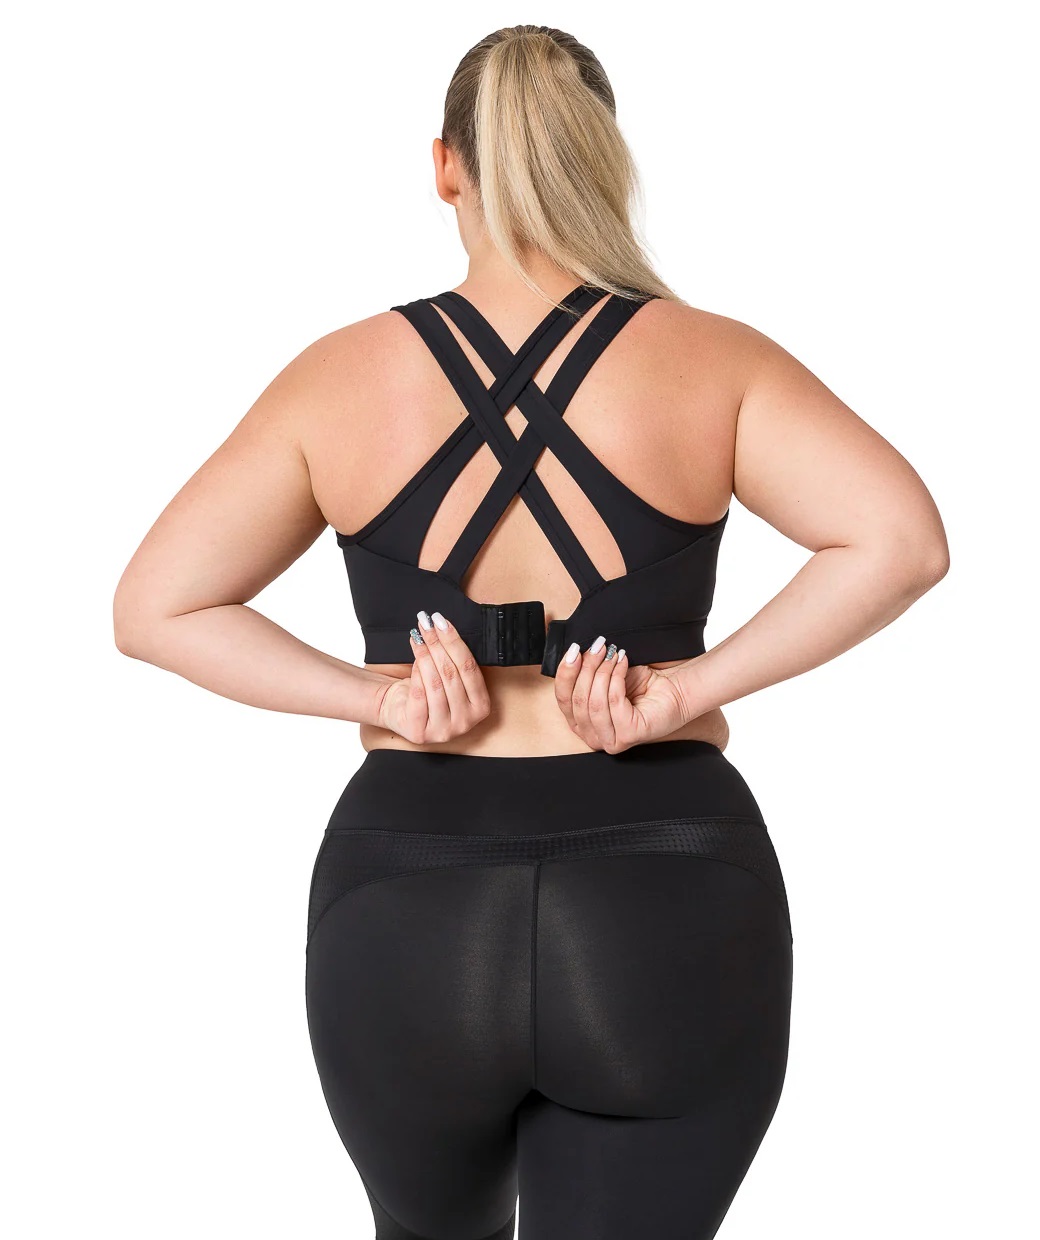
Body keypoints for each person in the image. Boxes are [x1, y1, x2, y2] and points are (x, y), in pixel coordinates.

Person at [112, 23, 949, 1240]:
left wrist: (378, 695)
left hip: (405, 900)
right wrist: (684, 689)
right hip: (662, 890)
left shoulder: (337, 376)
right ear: (600, 153)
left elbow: (155, 605)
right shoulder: (708, 358)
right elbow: (899, 541)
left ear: (443, 166)